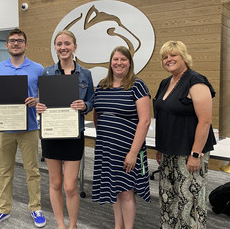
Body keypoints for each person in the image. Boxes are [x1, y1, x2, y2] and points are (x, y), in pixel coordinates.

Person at [0, 28, 46, 228]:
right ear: (6, 45)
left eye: (19, 41)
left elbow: (45, 97)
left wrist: (37, 100)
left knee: (32, 171)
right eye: (12, 41)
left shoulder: (38, 69)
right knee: (5, 171)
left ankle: (35, 207)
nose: (16, 43)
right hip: (4, 128)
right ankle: (3, 209)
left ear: (26, 45)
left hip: (29, 127)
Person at [153, 41, 216, 229]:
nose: (168, 59)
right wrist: (160, 148)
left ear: (184, 57)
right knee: (168, 199)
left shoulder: (196, 80)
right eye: (165, 57)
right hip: (168, 152)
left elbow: (205, 121)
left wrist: (196, 154)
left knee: (189, 202)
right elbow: (163, 115)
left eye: (173, 55)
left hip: (189, 154)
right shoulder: (166, 83)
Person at [36, 30, 94, 229]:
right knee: (55, 183)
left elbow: (91, 100)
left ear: (74, 47)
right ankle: (61, 224)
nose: (63, 47)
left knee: (70, 186)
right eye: (59, 44)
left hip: (73, 133)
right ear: (55, 48)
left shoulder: (85, 74)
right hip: (51, 133)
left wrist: (85, 106)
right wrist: (39, 106)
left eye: (67, 43)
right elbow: (42, 101)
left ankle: (73, 225)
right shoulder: (47, 72)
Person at [92, 46, 151, 229]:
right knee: (113, 189)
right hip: (106, 147)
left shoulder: (137, 85)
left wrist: (133, 153)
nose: (119, 63)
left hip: (128, 149)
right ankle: (118, 225)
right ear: (110, 62)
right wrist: (106, 135)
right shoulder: (102, 85)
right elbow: (97, 115)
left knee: (126, 191)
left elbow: (145, 121)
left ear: (129, 63)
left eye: (123, 60)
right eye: (116, 59)